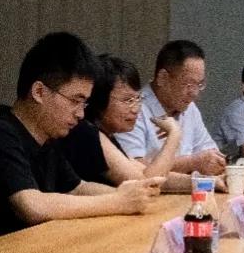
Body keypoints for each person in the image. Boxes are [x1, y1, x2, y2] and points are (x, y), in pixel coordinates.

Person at [0, 32, 162, 241]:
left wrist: (129, 193)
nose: (81, 114)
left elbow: (77, 188)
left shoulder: (48, 139)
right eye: (75, 101)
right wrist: (118, 201)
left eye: (84, 103)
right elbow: (32, 205)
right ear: (39, 92)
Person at [58, 55, 200, 192]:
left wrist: (204, 182)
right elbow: (148, 183)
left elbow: (147, 173)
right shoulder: (87, 133)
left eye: (138, 99)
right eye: (128, 100)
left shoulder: (108, 135)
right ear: (100, 100)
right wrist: (174, 135)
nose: (136, 109)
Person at [116, 40, 226, 175]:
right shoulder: (133, 109)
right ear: (162, 77)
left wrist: (213, 162)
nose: (194, 94)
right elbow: (136, 169)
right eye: (188, 84)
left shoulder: (190, 108)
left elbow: (209, 155)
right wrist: (192, 162)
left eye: (199, 84)